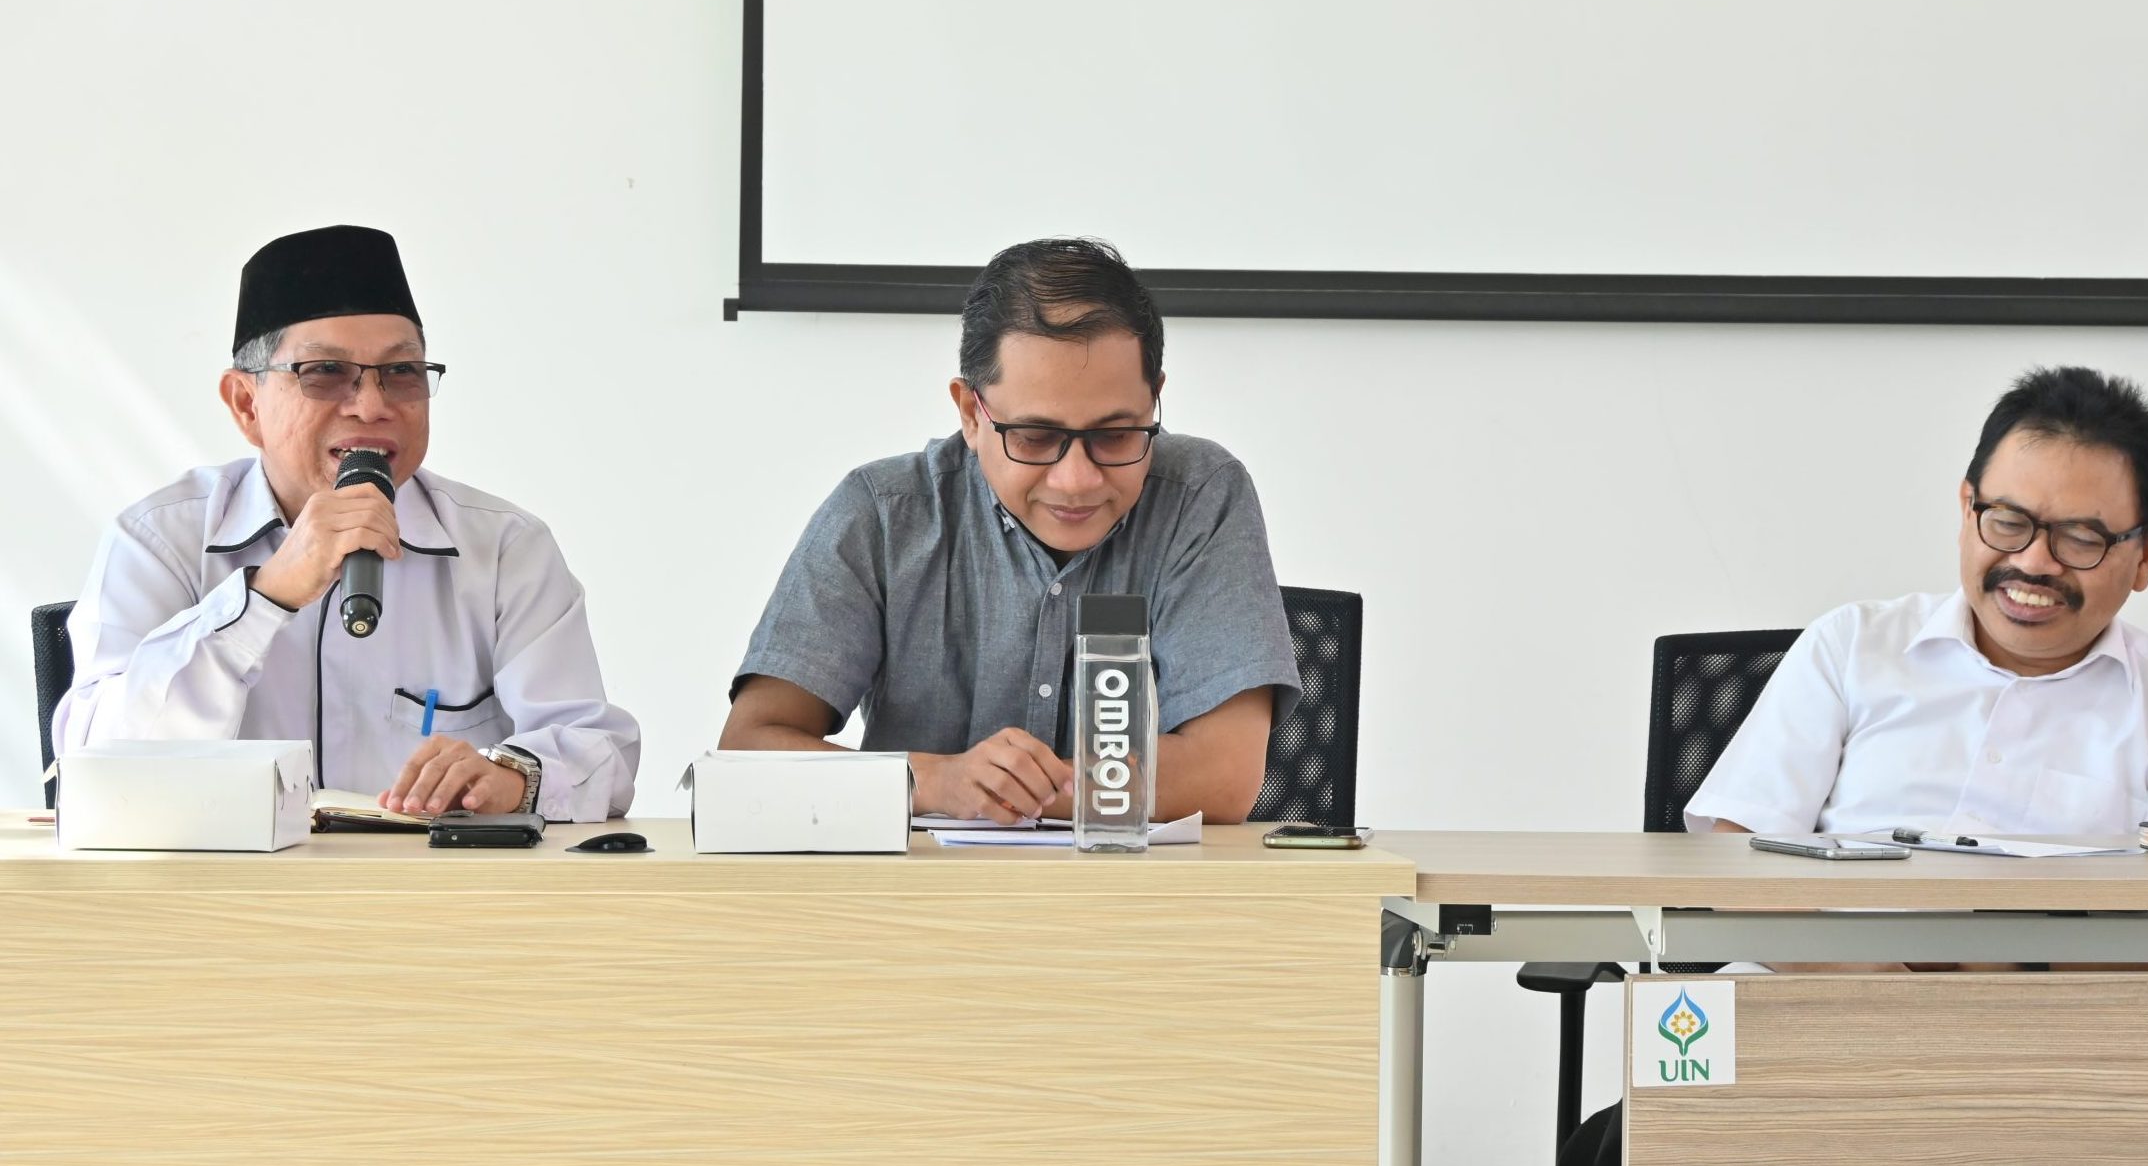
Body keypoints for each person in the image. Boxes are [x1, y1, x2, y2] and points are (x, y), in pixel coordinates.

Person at [1559, 365, 2148, 1166]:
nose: (2034, 562)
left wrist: (1992, 980)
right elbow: (1730, 856)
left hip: (2052, 1050)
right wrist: (1886, 986)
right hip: (1806, 996)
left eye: (2082, 537)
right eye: (2008, 521)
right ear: (1966, 508)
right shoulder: (1853, 647)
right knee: (1650, 1135)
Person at [53, 225, 639, 819]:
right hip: (221, 899)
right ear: (245, 405)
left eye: (402, 372)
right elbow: (97, 765)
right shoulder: (161, 540)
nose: (371, 405)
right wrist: (266, 597)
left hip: (436, 901)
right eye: (325, 372)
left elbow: (603, 756)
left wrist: (512, 778)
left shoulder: (504, 547)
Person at [720, 237, 1299, 824]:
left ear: (1155, 402)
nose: (1076, 480)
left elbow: (1224, 776)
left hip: (1137, 905)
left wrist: (1008, 794)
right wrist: (934, 780)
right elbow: (746, 753)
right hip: (916, 907)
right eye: (1034, 437)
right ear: (972, 414)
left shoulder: (1201, 496)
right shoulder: (881, 513)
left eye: (1116, 435)